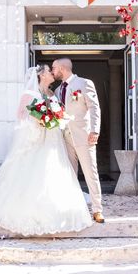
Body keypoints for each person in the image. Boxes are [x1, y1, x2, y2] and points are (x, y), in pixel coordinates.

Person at [0, 65, 93, 235]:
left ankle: (58, 209)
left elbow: (59, 112)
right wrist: (39, 121)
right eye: (49, 71)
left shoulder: (51, 93)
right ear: (41, 75)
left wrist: (56, 118)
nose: (52, 73)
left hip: (52, 141)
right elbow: (21, 116)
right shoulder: (29, 94)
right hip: (36, 140)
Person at [52, 58, 104, 224]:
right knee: (69, 175)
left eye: (54, 68)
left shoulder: (84, 83)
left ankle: (97, 210)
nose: (53, 71)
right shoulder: (58, 89)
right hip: (65, 138)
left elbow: (94, 107)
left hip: (84, 136)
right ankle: (72, 209)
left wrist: (95, 130)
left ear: (62, 68)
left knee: (90, 173)